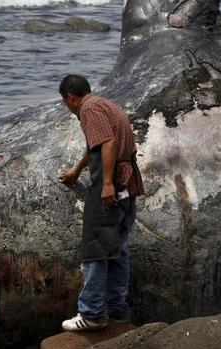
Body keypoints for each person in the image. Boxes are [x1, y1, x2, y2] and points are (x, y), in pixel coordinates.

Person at [57, 74, 144, 331]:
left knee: (96, 250)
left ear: (70, 97)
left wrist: (106, 184)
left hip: (112, 185)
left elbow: (108, 142)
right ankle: (118, 311)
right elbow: (94, 145)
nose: (69, 108)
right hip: (128, 184)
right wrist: (76, 170)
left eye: (66, 103)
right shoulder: (105, 104)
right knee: (118, 249)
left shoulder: (89, 109)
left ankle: (91, 313)